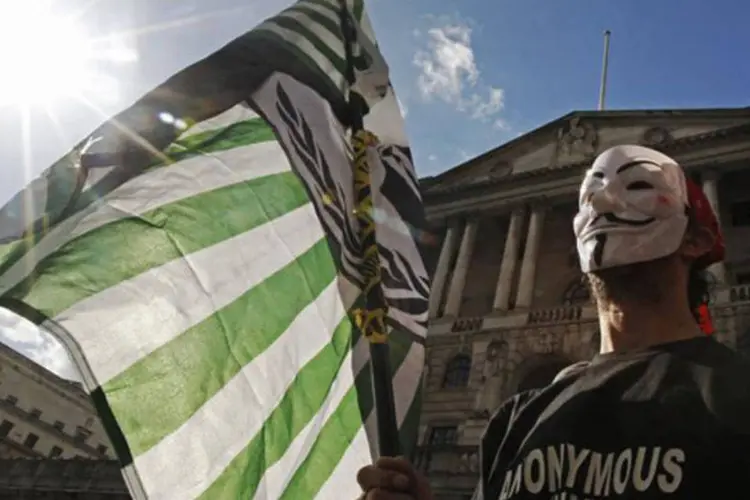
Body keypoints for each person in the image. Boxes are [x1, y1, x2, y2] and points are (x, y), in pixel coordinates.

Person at [356, 145, 750, 499]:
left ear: (695, 240)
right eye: (588, 199)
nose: (603, 200)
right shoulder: (515, 421)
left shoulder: (734, 394)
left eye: (638, 187)